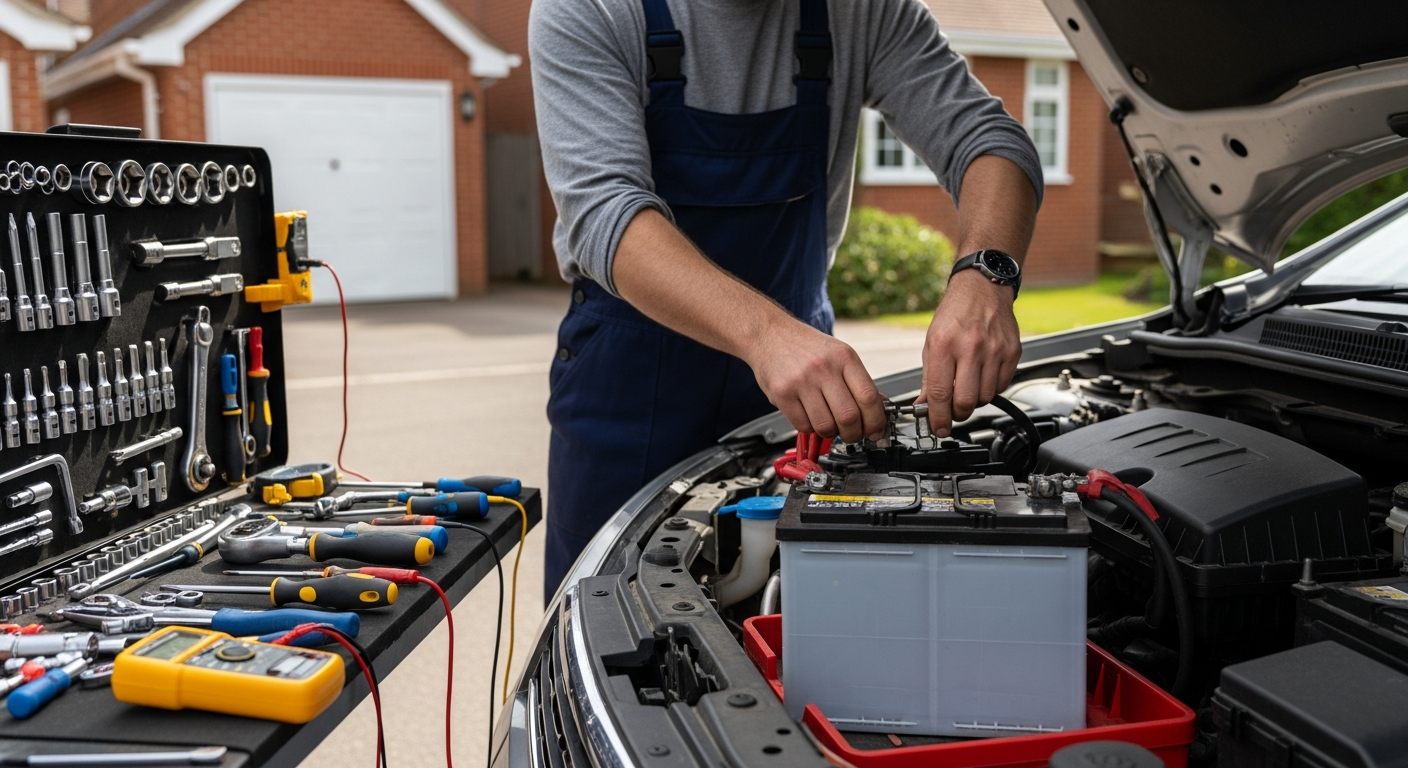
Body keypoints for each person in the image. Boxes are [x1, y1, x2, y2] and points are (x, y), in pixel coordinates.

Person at [532, 0, 1041, 598]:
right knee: (603, 612)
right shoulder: (588, 8)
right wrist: (767, 336)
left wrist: (985, 276)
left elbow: (991, 138)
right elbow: (603, 211)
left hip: (802, 395)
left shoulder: (863, 12)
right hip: (626, 391)